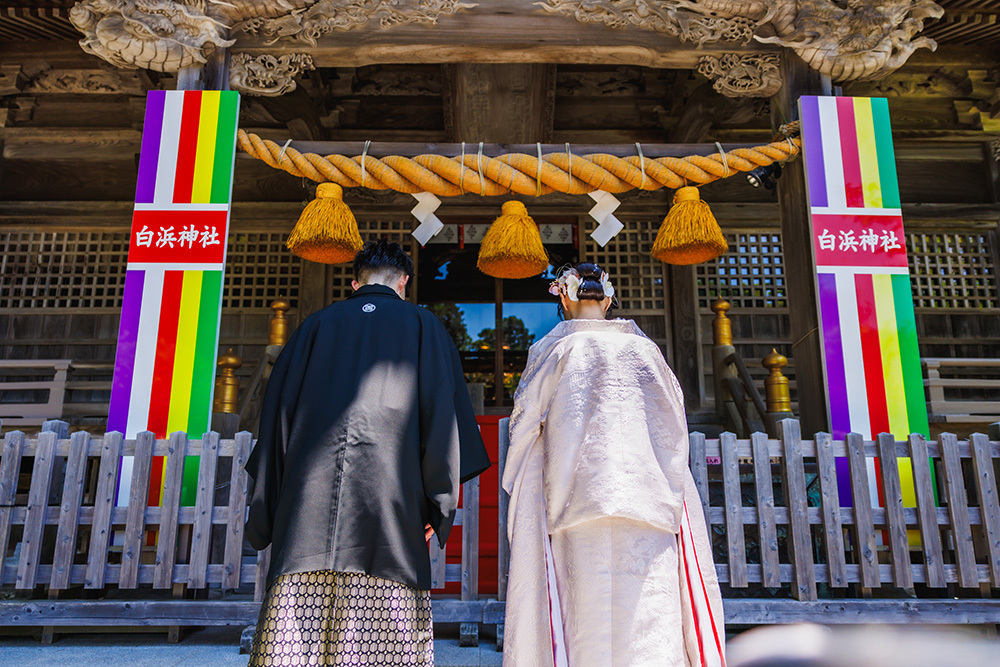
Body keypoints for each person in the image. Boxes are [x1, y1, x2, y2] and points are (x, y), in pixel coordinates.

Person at [245, 239, 491, 667]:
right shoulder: (424, 326)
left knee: (292, 638)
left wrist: (271, 505)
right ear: (404, 282)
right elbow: (441, 420)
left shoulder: (314, 328)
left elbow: (276, 417)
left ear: (355, 283)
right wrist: (438, 505)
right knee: (385, 637)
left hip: (306, 508)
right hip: (390, 506)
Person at [502, 262, 725, 667]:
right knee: (648, 618)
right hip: (649, 500)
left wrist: (520, 476)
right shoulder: (646, 352)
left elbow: (523, 424)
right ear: (607, 300)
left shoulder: (555, 351)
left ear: (565, 298)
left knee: (586, 619)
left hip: (577, 497)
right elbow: (674, 423)